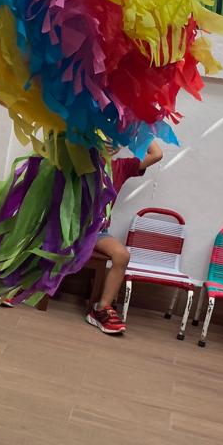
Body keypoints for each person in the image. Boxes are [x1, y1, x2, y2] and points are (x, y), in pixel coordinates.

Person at [85, 142, 164, 336]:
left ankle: (101, 308)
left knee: (122, 255)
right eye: (102, 137)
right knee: (42, 235)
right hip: (65, 229)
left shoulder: (120, 167)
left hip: (97, 232)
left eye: (113, 138)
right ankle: (21, 286)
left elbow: (156, 154)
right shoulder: (76, 161)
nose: (108, 143)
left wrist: (137, 128)